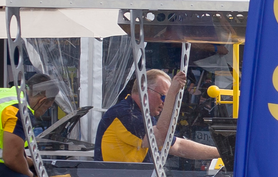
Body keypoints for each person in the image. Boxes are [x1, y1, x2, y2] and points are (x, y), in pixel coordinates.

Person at [94, 69, 222, 164]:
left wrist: (222, 153)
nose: (164, 102)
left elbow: (177, 145)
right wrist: (172, 94)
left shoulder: (144, 115)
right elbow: (159, 139)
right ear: (144, 91)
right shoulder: (125, 114)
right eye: (163, 96)